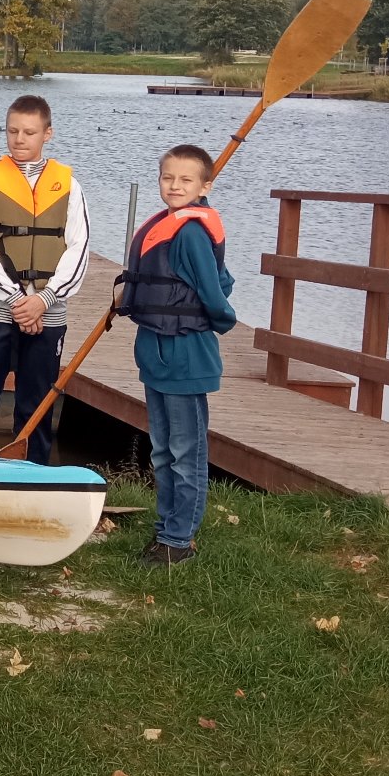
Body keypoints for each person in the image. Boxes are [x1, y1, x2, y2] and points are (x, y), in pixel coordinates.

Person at [0, 93, 91, 465]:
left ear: (48, 134)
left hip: (47, 315)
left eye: (29, 132)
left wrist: (43, 301)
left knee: (36, 407)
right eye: (12, 130)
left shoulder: (70, 188)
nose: (19, 139)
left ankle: (32, 479)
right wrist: (16, 301)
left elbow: (78, 249)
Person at [119, 144, 236, 566]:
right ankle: (167, 531)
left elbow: (216, 288)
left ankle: (179, 540)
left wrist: (221, 322)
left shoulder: (189, 232)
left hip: (187, 354)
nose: (175, 186)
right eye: (168, 177)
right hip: (155, 355)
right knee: (163, 451)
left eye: (186, 179)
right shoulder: (164, 224)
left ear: (205, 185)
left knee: (187, 451)